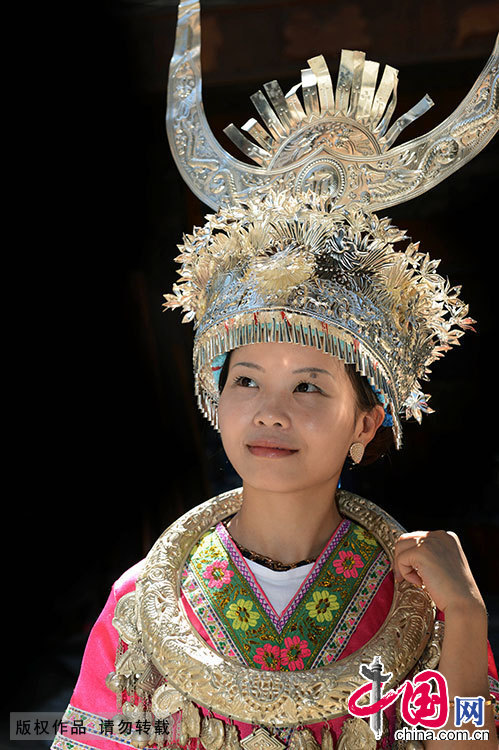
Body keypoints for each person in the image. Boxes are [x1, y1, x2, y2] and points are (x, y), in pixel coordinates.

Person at [52, 4, 499, 749]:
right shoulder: (141, 602)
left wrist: (470, 620)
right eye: (247, 380)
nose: (269, 411)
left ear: (366, 422)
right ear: (213, 399)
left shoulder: (419, 601)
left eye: (310, 387)